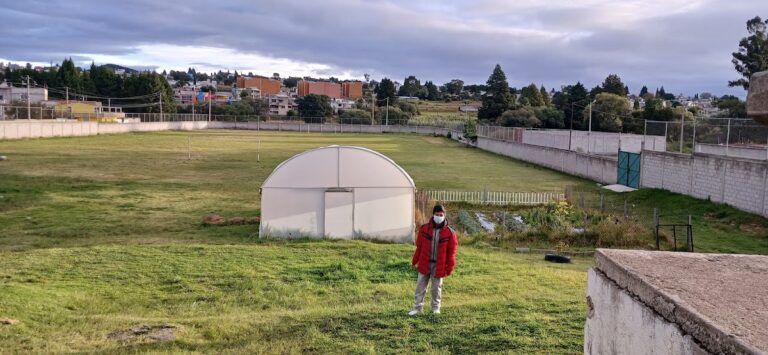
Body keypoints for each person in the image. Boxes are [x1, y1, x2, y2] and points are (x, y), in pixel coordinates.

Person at [408, 204, 458, 315]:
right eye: (437, 214)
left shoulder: (450, 233)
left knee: (436, 289)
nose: (439, 217)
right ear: (433, 215)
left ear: (444, 216)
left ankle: (436, 308)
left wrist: (449, 268)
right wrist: (415, 261)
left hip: (439, 265)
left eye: (441, 215)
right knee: (420, 287)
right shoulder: (424, 229)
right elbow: (419, 247)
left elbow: (452, 253)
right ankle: (417, 308)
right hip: (425, 262)